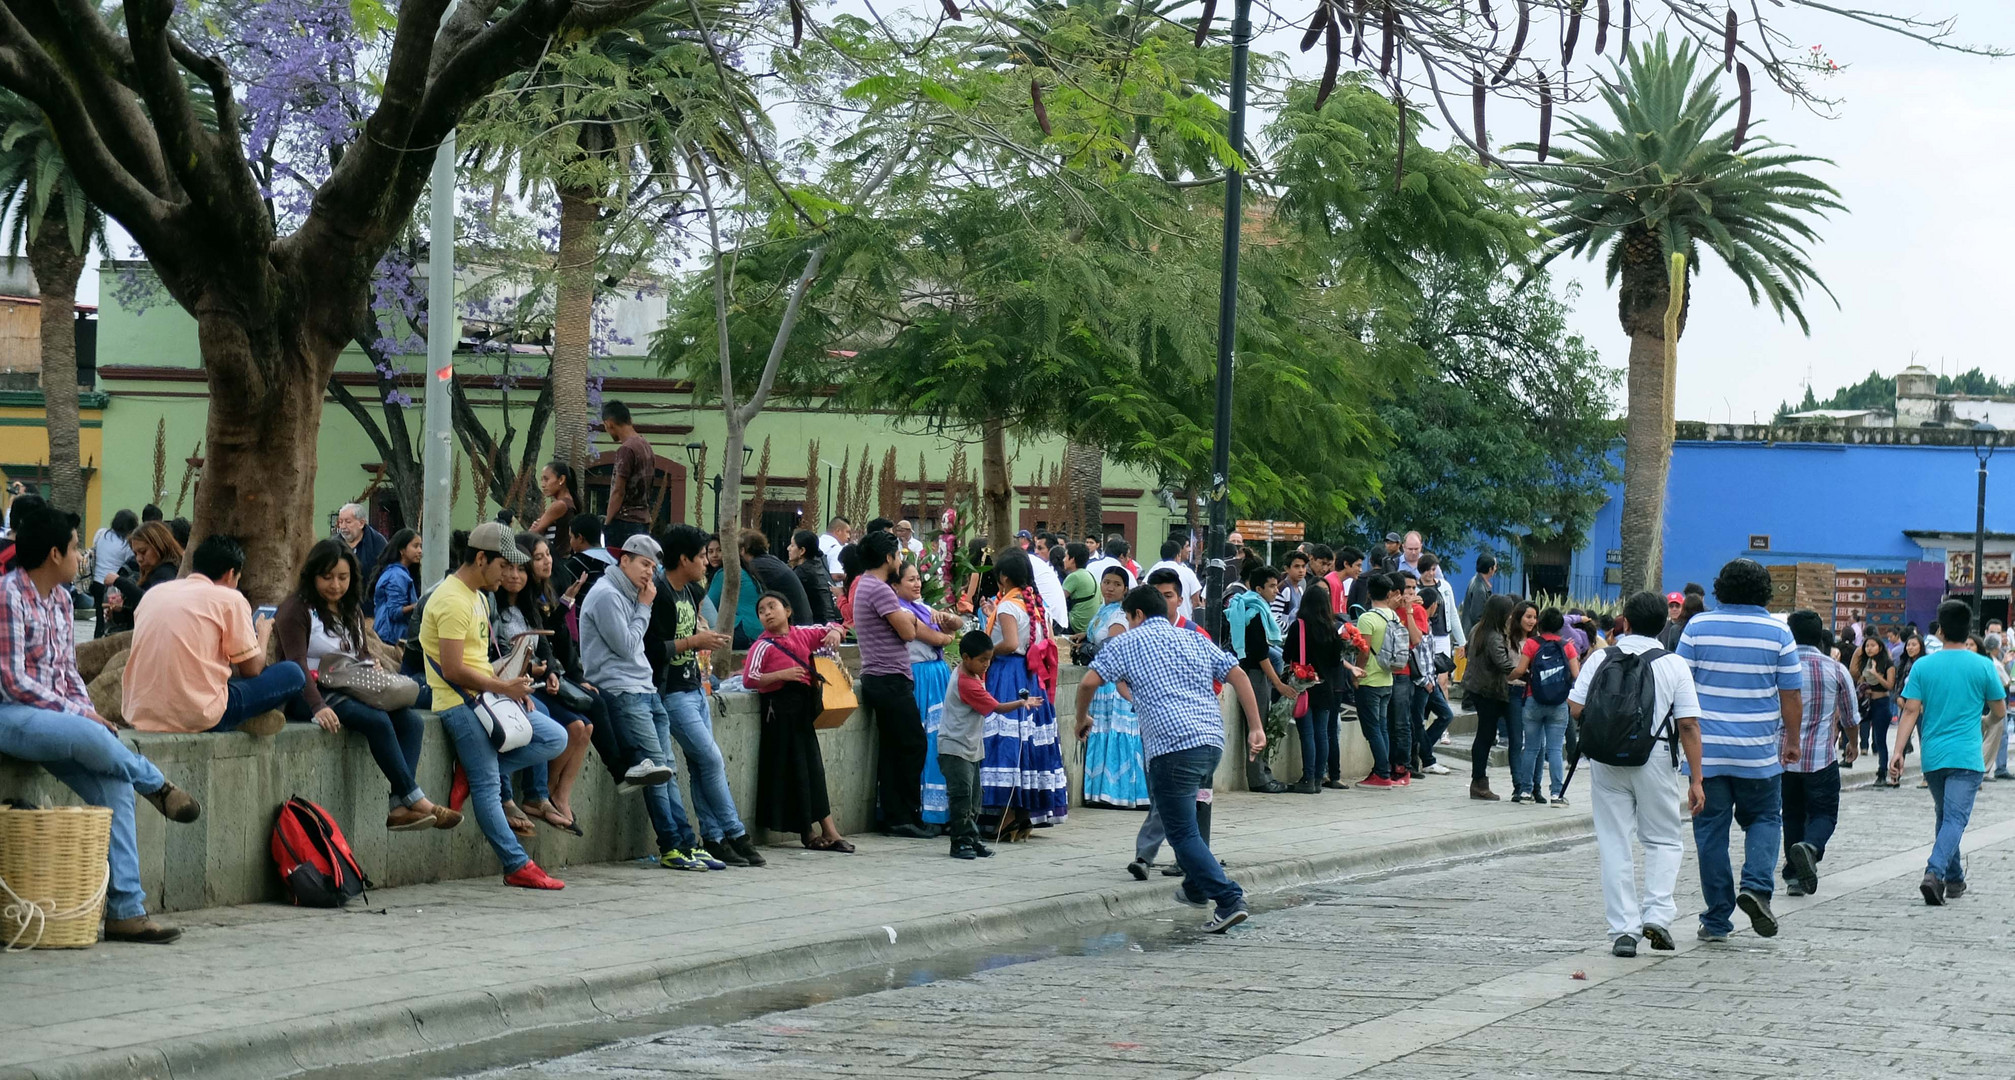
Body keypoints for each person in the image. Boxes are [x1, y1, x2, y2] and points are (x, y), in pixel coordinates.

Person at [0, 496, 202, 943]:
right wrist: (78, 715)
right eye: (75, 548)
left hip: (52, 719)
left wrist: (86, 708)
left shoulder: (61, 601)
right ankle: (156, 783)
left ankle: (126, 910)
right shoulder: (8, 595)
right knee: (84, 731)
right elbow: (13, 682)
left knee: (114, 784)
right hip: (10, 715)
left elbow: (67, 672)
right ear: (54, 554)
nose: (82, 557)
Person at [1077, 584, 1266, 934]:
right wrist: (1255, 727)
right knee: (1191, 821)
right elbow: (1237, 674)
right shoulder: (1193, 637)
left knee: (1181, 833)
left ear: (1136, 615)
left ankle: (1229, 899)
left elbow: (1088, 682)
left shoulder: (1127, 642)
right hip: (1210, 742)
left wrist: (1080, 718)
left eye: (1129, 619)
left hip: (1171, 747)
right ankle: (1195, 888)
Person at [420, 521, 570, 888]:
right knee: (488, 785)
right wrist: (503, 686)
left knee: (555, 738)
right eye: (504, 566)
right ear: (482, 559)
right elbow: (454, 670)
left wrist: (510, 686)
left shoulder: (478, 597)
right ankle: (516, 864)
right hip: (458, 704)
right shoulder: (451, 599)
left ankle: (472, 770)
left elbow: (480, 660)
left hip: (487, 698)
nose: (510, 574)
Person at [277, 538, 459, 833]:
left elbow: (359, 652)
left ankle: (399, 806)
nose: (335, 585)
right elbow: (294, 662)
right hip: (308, 691)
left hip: (351, 685)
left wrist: (370, 664)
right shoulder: (296, 610)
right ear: (312, 576)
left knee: (412, 722)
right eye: (327, 577)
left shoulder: (351, 610)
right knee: (376, 721)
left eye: (342, 577)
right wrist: (318, 706)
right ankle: (417, 800)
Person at [1569, 590, 1704, 959]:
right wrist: (1696, 778)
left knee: (1614, 842)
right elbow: (1689, 725)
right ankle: (1657, 915)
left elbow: (1576, 706)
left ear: (1624, 622)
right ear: (1665, 624)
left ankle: (1623, 931)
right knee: (1663, 839)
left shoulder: (1600, 658)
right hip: (1656, 756)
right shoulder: (1674, 664)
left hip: (1607, 760)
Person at [1677, 558, 1803, 941]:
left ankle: (1717, 920)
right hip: (1758, 754)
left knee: (1710, 834)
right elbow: (1791, 695)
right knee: (1765, 819)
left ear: (1720, 588)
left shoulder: (1697, 627)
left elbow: (1681, 688)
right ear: (1765, 591)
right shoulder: (1779, 633)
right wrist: (1793, 740)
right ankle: (1756, 887)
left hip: (1707, 756)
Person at [581, 532, 718, 872]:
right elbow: (627, 645)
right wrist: (644, 606)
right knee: (655, 772)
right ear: (624, 559)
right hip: (623, 691)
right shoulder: (607, 595)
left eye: (653, 566)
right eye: (644, 564)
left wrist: (642, 603)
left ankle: (687, 842)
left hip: (646, 688)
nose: (649, 572)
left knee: (667, 770)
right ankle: (671, 845)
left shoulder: (633, 592)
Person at [645, 525, 764, 867]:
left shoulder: (692, 592)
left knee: (702, 764)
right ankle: (735, 831)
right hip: (671, 692)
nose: (705, 562)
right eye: (700, 556)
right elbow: (653, 649)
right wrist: (694, 642)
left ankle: (713, 836)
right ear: (682, 559)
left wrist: (703, 638)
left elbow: (704, 624)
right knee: (711, 759)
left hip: (695, 686)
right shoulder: (661, 593)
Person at [124, 535, 307, 736]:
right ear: (231, 574)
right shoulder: (230, 598)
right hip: (198, 714)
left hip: (140, 711)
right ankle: (241, 719)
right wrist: (262, 634)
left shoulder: (154, 594)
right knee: (292, 673)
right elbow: (252, 670)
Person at [1890, 600, 2008, 904]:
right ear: (1968, 630)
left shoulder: (1923, 666)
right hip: (1967, 756)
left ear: (1939, 631)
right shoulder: (1982, 665)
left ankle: (1955, 880)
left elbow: (1910, 711)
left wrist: (1898, 751)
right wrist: (1985, 720)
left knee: (1945, 816)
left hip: (1934, 756)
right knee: (1955, 819)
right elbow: (1999, 710)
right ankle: (1935, 872)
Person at [492, 535, 593, 837]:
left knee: (584, 722)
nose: (515, 575)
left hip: (532, 684)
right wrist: (520, 675)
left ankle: (545, 794)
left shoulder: (528, 605)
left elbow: (544, 642)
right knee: (550, 723)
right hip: (503, 686)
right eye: (508, 568)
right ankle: (523, 793)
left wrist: (548, 670)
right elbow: (491, 655)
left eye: (521, 570)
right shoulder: (492, 607)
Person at [743, 595, 853, 851]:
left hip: (802, 710)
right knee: (793, 770)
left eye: (772, 607)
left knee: (812, 768)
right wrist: (782, 674)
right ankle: (809, 832)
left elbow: (833, 627)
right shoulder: (762, 645)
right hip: (779, 712)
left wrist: (836, 631)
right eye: (761, 610)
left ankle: (829, 830)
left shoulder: (802, 633)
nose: (767, 613)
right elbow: (750, 678)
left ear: (788, 610)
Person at [980, 548, 1068, 839]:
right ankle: (1024, 816)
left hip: (1008, 673)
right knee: (1028, 743)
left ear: (1003, 577)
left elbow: (1010, 642)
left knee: (1006, 742)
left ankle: (1005, 816)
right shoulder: (1036, 605)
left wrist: (986, 652)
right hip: (1033, 676)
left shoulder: (1008, 606)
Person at [853, 529, 935, 838]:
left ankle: (895, 815)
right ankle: (904, 816)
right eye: (898, 554)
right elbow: (908, 633)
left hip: (880, 677)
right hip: (889, 678)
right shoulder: (880, 589)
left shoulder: (867, 585)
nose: (901, 559)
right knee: (913, 745)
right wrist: (913, 620)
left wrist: (907, 618)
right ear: (888, 558)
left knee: (893, 749)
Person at [1779, 609, 1858, 899]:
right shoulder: (1836, 669)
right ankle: (1811, 847)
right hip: (1821, 757)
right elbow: (1850, 716)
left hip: (1782, 757)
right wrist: (1854, 744)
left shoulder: (1778, 666)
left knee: (1791, 814)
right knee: (1824, 813)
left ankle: (1794, 876)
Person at [942, 631, 1038, 859]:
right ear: (965, 658)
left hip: (970, 746)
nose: (987, 664)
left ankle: (972, 839)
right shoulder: (967, 682)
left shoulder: (973, 674)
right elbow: (996, 707)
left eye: (989, 659)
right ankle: (960, 842)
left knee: (975, 797)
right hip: (955, 748)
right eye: (982, 660)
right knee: (962, 797)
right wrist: (1022, 703)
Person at [895, 561, 962, 831]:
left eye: (918, 578)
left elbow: (954, 624)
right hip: (919, 675)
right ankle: (926, 811)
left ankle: (941, 811)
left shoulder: (921, 607)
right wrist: (947, 636)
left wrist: (950, 621)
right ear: (895, 585)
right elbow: (935, 638)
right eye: (910, 580)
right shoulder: (899, 610)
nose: (916, 583)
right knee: (924, 741)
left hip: (937, 675)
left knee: (939, 740)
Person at [1081, 566, 1150, 809]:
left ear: (1126, 589)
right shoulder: (1105, 610)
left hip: (1113, 684)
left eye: (1116, 584)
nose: (1109, 588)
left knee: (1115, 734)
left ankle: (1117, 793)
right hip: (1106, 682)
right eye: (1106, 582)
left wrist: (1089, 649)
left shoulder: (1120, 614)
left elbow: (1113, 646)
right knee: (1107, 734)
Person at [1229, 563, 1296, 793]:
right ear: (1259, 588)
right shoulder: (1255, 611)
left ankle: (1262, 774)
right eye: (1272, 587)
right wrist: (1278, 683)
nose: (1276, 591)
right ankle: (1259, 778)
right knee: (1257, 723)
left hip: (1250, 672)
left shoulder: (1249, 606)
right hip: (1253, 675)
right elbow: (1260, 654)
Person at [1355, 573, 1419, 789]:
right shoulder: (1393, 616)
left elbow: (1364, 650)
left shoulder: (1367, 618)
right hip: (1388, 678)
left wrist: (1358, 672)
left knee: (1372, 728)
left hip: (1370, 679)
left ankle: (1381, 773)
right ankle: (1385, 770)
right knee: (1382, 727)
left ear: (1369, 593)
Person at [1283, 580, 1347, 794]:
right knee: (1322, 733)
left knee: (1307, 734)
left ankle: (1308, 778)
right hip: (1325, 686)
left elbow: (1287, 655)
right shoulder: (1332, 629)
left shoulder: (1299, 626)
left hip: (1304, 685)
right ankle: (1319, 778)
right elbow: (1337, 660)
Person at [1517, 608, 1581, 806]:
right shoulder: (1567, 647)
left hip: (1533, 700)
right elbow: (1576, 674)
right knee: (1554, 750)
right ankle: (1556, 794)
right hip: (1559, 703)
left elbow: (1520, 669)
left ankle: (1526, 792)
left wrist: (1509, 677)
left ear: (1540, 624)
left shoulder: (1532, 643)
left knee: (1530, 748)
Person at [707, 530, 813, 647]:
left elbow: (708, 608)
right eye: (710, 551)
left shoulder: (728, 572)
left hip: (748, 630)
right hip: (769, 628)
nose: (714, 555)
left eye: (719, 550)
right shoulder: (763, 564)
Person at [1462, 593, 1519, 801]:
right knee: (1485, 736)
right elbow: (1503, 664)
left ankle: (1479, 781)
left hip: (1477, 687)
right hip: (1489, 690)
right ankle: (1479, 781)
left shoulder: (1477, 629)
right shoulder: (1494, 635)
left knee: (1484, 735)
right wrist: (1524, 670)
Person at [1413, 554, 1461, 774]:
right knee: (1421, 718)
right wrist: (1426, 679)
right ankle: (1426, 758)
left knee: (1444, 714)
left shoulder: (1431, 617)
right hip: (1423, 680)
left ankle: (1424, 753)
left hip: (1429, 677)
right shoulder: (1420, 617)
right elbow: (1418, 651)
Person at [100, 520, 182, 634]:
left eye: (143, 552)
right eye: (136, 554)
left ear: (159, 545)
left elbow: (151, 602)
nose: (139, 559)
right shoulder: (153, 572)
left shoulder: (167, 572)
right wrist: (119, 612)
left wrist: (119, 581)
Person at [599, 400, 656, 548]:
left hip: (624, 522)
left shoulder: (626, 449)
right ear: (630, 419)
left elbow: (618, 491)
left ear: (609, 423)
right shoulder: (646, 446)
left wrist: (607, 522)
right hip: (643, 520)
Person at [88, 508, 138, 637]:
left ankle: (96, 642)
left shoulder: (102, 533)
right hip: (112, 587)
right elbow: (131, 562)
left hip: (96, 583)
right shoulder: (126, 544)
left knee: (100, 619)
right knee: (111, 619)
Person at [1850, 635, 1895, 776]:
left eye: (1872, 645)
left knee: (1880, 738)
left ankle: (1882, 771)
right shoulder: (1865, 663)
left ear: (1880, 647)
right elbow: (1859, 679)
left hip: (1881, 703)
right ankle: (1848, 756)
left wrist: (1876, 674)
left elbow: (1889, 685)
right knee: (1852, 727)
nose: (1869, 648)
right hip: (1867, 702)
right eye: (1867, 646)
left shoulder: (1888, 664)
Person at [372, 528, 423, 645]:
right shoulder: (397, 576)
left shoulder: (399, 572)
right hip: (392, 638)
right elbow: (395, 612)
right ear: (402, 550)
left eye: (420, 546)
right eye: (415, 546)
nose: (420, 551)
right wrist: (420, 605)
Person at [1890, 633, 1928, 786]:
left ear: (1921, 647)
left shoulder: (1925, 664)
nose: (1910, 648)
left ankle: (1927, 775)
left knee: (1923, 739)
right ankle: (1896, 774)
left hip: (1921, 707)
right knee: (1902, 741)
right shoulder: (1903, 663)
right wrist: (1898, 697)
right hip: (1905, 705)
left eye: (1914, 645)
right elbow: (1898, 683)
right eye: (1909, 645)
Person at [527, 461, 583, 551]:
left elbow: (532, 534)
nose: (543, 485)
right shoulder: (569, 502)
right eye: (542, 480)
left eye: (546, 479)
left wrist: (534, 528)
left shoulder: (560, 505)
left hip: (555, 558)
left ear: (561, 479)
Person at [790, 529, 841, 624]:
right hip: (829, 622)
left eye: (792, 545)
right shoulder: (818, 565)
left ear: (802, 551)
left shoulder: (802, 572)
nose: (788, 548)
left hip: (816, 625)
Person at [1146, 539, 1204, 622]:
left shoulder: (1153, 569)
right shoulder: (1187, 572)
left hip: (1155, 621)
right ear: (1178, 555)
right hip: (1182, 624)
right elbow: (1196, 602)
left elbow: (1143, 589)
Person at [1060, 543, 1099, 635]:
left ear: (1072, 559)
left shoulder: (1074, 576)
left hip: (1077, 624)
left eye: (1065, 556)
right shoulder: (1088, 574)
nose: (1063, 560)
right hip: (1089, 624)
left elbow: (1058, 600)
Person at [1460, 553, 1496, 637]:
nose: (1495, 569)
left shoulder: (1476, 580)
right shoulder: (1479, 588)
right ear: (1490, 569)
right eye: (1494, 567)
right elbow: (1477, 616)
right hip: (1475, 635)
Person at [1273, 549, 1310, 627]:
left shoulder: (1300, 590)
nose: (1301, 570)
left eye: (1303, 566)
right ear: (1287, 568)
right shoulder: (1284, 589)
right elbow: (1274, 618)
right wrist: (1291, 630)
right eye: (1297, 566)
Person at [819, 516, 851, 583]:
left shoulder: (818, 542)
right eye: (847, 532)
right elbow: (836, 575)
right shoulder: (836, 548)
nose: (849, 537)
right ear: (838, 531)